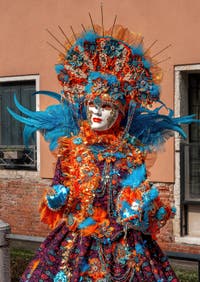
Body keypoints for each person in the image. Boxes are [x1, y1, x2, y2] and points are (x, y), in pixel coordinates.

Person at [9, 24, 195, 282]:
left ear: (119, 112)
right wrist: (56, 198)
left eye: (105, 106)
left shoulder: (131, 152)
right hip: (77, 244)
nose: (96, 111)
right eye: (92, 104)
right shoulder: (72, 148)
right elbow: (57, 194)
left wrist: (141, 207)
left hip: (126, 247)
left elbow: (141, 201)